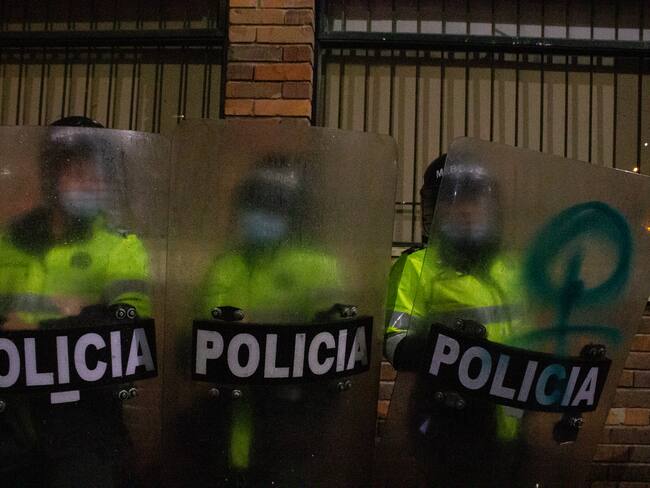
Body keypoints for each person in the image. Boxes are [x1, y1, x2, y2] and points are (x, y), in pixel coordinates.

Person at [0, 116, 151, 487]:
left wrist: (37, 329)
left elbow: (129, 331)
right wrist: (77, 313)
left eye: (98, 171)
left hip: (85, 428)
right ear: (53, 173)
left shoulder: (119, 245)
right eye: (77, 169)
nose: (90, 180)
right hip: (11, 425)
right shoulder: (11, 239)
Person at [185, 155, 347, 487]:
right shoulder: (226, 266)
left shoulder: (318, 267)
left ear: (293, 209)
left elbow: (333, 353)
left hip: (289, 432)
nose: (260, 213)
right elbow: (194, 343)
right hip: (225, 431)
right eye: (254, 200)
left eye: (272, 203)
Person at [383, 154, 523, 487]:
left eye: (470, 201)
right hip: (443, 420)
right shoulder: (416, 267)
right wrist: (444, 349)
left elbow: (531, 339)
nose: (461, 211)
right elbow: (393, 341)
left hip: (510, 422)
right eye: (447, 202)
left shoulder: (511, 270)